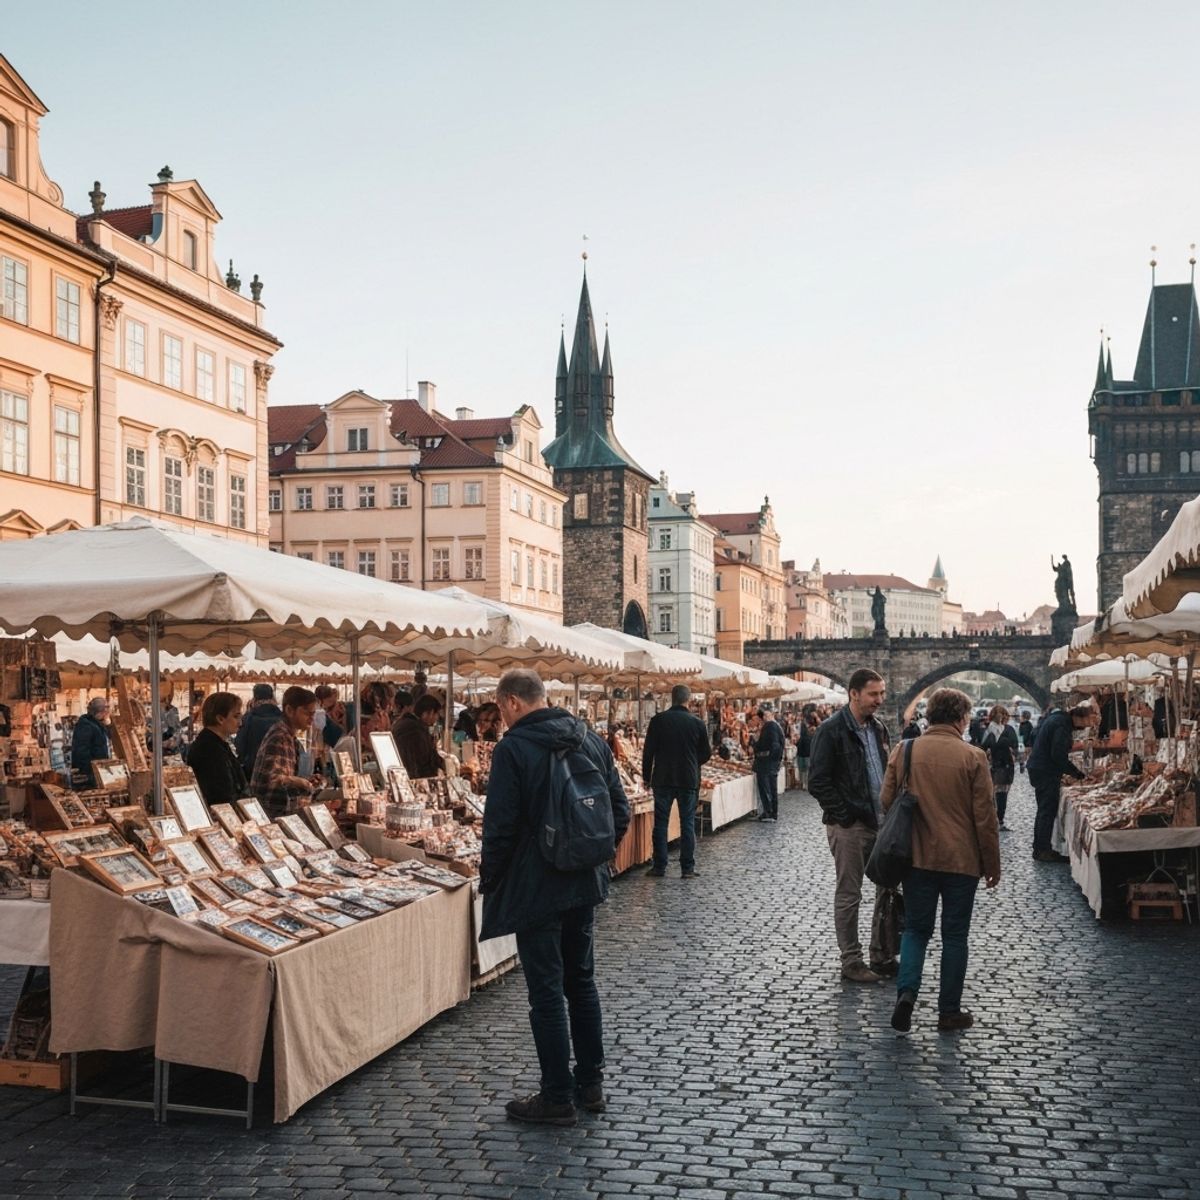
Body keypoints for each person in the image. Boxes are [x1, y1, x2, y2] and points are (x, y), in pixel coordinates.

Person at [480, 668, 630, 1126]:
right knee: (581, 982)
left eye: (500, 708)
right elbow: (619, 811)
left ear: (510, 703)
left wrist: (493, 879)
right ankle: (591, 1084)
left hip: (536, 886)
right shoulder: (589, 739)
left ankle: (556, 1096)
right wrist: (591, 856)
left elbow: (500, 828)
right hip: (583, 883)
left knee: (546, 992)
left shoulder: (513, 749)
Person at [883, 687, 1000, 1034]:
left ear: (930, 715)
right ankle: (949, 1010)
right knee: (955, 935)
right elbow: (985, 818)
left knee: (916, 930)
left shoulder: (905, 750)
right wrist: (991, 864)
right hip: (961, 861)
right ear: (961, 718)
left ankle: (906, 994)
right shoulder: (973, 757)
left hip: (916, 858)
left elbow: (886, 800)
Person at [808, 668, 893, 983]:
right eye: (873, 694)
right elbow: (817, 782)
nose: (879, 700)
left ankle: (881, 954)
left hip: (880, 821)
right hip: (850, 825)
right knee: (850, 893)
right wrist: (844, 815)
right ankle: (851, 960)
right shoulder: (831, 730)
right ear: (854, 693)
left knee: (887, 888)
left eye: (881, 694)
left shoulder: (878, 728)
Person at [641, 683, 711, 879]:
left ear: (672, 699)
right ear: (688, 700)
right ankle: (687, 868)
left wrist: (646, 777)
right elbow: (706, 753)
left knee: (661, 823)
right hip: (687, 779)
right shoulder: (697, 723)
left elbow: (648, 753)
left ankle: (659, 866)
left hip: (662, 778)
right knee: (687, 823)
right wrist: (692, 763)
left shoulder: (658, 721)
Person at [1026, 703, 1092, 862]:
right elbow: (1058, 754)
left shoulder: (1058, 720)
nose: (1088, 724)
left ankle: (1040, 847)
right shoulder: (1062, 724)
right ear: (1078, 717)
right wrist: (1077, 773)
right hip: (1045, 770)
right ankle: (1042, 850)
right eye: (1088, 720)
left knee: (1044, 810)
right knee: (1046, 810)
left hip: (1040, 768)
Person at [250, 686, 322, 818]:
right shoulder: (280, 736)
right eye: (307, 713)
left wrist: (304, 780)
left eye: (313, 714)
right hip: (272, 815)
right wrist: (301, 783)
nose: (311, 719)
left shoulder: (287, 735)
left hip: (281, 811)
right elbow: (272, 780)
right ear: (289, 710)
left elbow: (283, 776)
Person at [188, 692, 250, 807]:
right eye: (236, 716)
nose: (240, 722)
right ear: (220, 719)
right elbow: (221, 795)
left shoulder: (217, 744)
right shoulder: (209, 750)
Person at [980, 704, 1018, 831]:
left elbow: (982, 748)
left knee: (997, 795)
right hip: (999, 766)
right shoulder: (998, 730)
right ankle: (997, 820)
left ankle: (996, 820)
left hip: (999, 766)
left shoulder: (996, 730)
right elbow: (983, 747)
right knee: (998, 795)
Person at [235, 683, 283, 775]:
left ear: (255, 697)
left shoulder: (248, 717)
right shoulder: (282, 717)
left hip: (253, 769)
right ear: (272, 696)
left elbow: (239, 744)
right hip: (279, 770)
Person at [393, 694, 443, 778]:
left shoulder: (403, 723)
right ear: (429, 712)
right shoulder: (416, 730)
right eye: (436, 714)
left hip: (401, 774)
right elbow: (425, 759)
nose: (437, 718)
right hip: (414, 778)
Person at [750, 706, 785, 821]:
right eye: (764, 715)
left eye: (767, 715)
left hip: (766, 763)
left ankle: (769, 812)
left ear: (771, 714)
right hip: (770, 762)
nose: (765, 717)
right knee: (770, 788)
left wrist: (756, 744)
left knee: (766, 788)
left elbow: (774, 746)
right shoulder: (775, 726)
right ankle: (771, 812)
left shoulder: (771, 726)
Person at [71, 697, 112, 787]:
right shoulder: (86, 726)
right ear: (100, 712)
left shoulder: (97, 724)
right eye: (106, 712)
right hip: (90, 774)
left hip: (98, 770)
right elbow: (81, 752)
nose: (107, 714)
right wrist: (90, 774)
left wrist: (108, 724)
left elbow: (110, 736)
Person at [795, 717, 814, 791]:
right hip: (807, 754)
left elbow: (798, 744)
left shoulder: (801, 737)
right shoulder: (811, 736)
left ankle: (803, 783)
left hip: (801, 754)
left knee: (802, 770)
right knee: (806, 770)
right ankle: (805, 784)